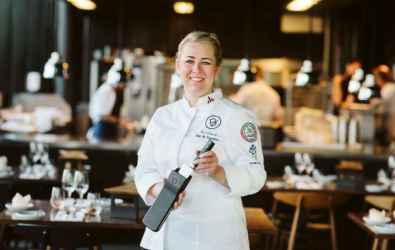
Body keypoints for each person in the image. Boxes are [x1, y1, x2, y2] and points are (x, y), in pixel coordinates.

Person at [134, 31, 267, 250]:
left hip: (215, 238)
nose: (196, 69)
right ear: (178, 66)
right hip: (163, 236)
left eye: (205, 62)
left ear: (217, 68)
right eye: (189, 61)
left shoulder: (239, 117)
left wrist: (219, 172)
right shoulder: (162, 116)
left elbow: (256, 175)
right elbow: (144, 170)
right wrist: (160, 190)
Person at [86, 58, 134, 140]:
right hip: (102, 131)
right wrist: (122, 122)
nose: (125, 87)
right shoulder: (108, 91)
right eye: (124, 83)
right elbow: (103, 114)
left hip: (105, 130)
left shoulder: (109, 90)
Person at [372, 65, 395, 143]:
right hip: (393, 128)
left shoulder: (390, 88)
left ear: (380, 79)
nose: (377, 82)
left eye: (377, 79)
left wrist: (371, 101)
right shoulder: (391, 87)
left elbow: (381, 102)